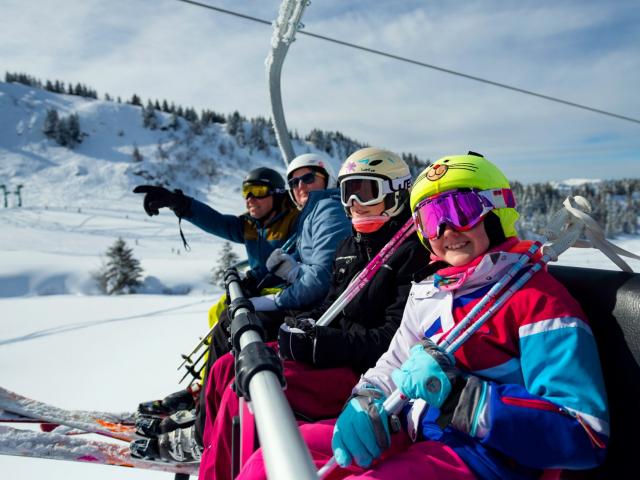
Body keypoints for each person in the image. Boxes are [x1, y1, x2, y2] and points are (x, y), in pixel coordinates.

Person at [237, 152, 609, 480]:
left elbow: (585, 434)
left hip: (486, 459)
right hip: (413, 432)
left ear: (497, 210)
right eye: (431, 219)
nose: (447, 231)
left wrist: (461, 398)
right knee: (270, 461)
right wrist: (366, 398)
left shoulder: (536, 300)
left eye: (461, 211)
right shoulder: (430, 289)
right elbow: (394, 361)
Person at [198, 147, 432, 480]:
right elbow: (334, 303)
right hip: (331, 358)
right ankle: (207, 447)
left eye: (365, 192)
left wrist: (324, 343)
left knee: (247, 385)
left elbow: (392, 339)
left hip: (358, 370)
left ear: (396, 192)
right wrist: (301, 324)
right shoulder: (351, 246)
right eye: (348, 193)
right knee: (228, 366)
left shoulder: (410, 251)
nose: (354, 203)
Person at [133, 167, 298, 290]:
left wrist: (254, 278)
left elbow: (296, 260)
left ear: (278, 194)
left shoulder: (296, 222)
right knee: (217, 314)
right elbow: (216, 222)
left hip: (288, 293)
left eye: (258, 191)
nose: (250, 198)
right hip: (259, 291)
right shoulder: (250, 226)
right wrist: (178, 203)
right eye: (246, 191)